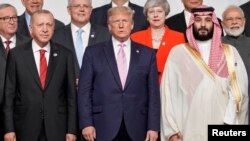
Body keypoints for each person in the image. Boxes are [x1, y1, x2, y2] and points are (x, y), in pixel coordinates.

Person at [161, 5, 248, 141]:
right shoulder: (178, 53)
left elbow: (239, 91)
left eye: (207, 20)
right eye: (198, 20)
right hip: (187, 128)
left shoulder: (230, 52)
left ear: (214, 24)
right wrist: (171, 131)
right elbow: (168, 94)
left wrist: (228, 124)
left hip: (222, 125)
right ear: (191, 24)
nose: (202, 25)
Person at [78, 6, 160, 141]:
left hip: (138, 127)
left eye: (125, 21)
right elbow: (84, 91)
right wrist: (86, 123)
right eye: (116, 22)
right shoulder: (93, 53)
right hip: (102, 126)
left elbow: (153, 94)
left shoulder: (147, 54)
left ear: (132, 25)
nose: (121, 25)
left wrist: (153, 126)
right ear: (109, 27)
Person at [3, 10, 77, 141]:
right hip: (25, 126)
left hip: (57, 127)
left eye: (49, 25)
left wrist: (71, 130)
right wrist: (9, 129)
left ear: (54, 28)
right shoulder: (16, 55)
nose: (45, 29)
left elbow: (71, 96)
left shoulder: (66, 55)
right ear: (31, 28)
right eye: (40, 25)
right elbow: (9, 95)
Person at [53, 0, 110, 85]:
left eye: (86, 6)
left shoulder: (105, 34)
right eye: (77, 6)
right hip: (66, 93)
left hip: (96, 92)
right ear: (69, 10)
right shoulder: (56, 36)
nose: (82, 9)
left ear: (90, 10)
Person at [131, 0, 185, 81]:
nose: (155, 15)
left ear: (165, 14)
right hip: (142, 85)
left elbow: (182, 66)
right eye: (151, 12)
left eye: (160, 11)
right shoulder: (135, 37)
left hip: (169, 85)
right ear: (147, 16)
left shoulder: (178, 37)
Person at [0, 4, 30, 141]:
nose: (11, 21)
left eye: (14, 17)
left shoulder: (29, 44)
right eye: (6, 18)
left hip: (23, 115)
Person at [221, 5, 250, 124]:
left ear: (244, 21)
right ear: (222, 24)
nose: (234, 22)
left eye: (238, 18)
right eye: (229, 19)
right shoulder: (216, 45)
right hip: (224, 102)